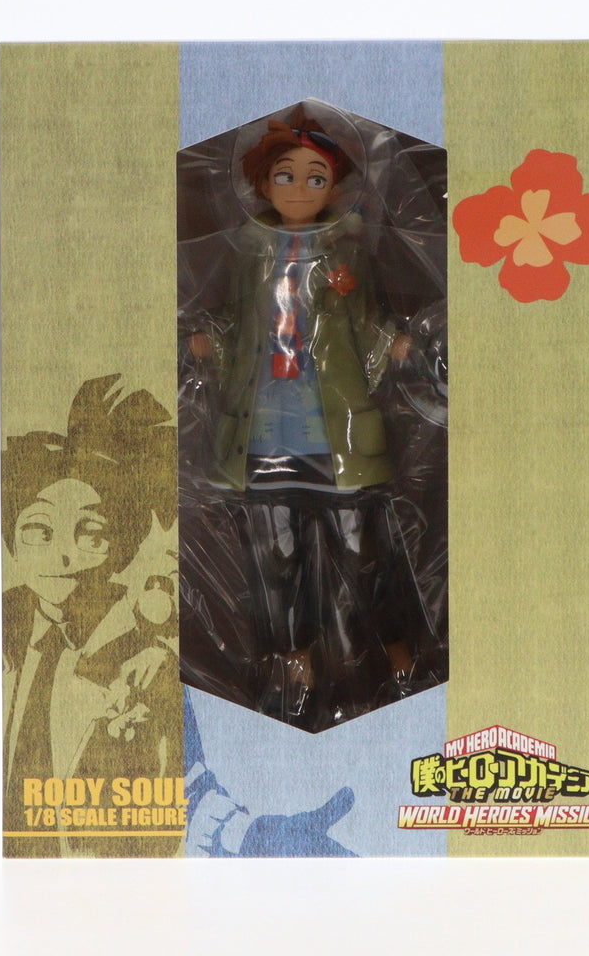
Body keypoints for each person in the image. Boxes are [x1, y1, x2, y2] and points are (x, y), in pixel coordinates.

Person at [3, 374, 356, 855]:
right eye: (39, 531)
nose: (63, 556)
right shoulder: (8, 626)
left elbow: (188, 787)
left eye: (90, 534)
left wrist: (251, 836)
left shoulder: (145, 656)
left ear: (120, 546)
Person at [186, 107, 417, 729]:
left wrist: (395, 341)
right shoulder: (250, 255)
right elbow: (234, 320)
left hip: (334, 429)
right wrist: (208, 341)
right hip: (265, 430)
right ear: (262, 184)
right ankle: (296, 668)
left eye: (315, 178)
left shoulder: (346, 255)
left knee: (362, 553)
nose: (297, 189)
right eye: (284, 176)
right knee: (276, 562)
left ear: (334, 188)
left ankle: (399, 656)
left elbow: (371, 321)